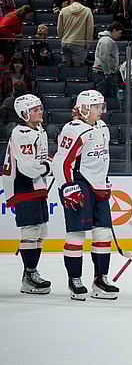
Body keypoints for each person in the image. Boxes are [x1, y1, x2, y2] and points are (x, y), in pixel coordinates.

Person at [52, 90, 118, 301]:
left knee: (103, 234)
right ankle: (75, 280)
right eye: (97, 107)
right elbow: (62, 162)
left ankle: (101, 279)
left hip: (98, 186)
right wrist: (68, 187)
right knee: (77, 234)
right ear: (85, 108)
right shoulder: (74, 130)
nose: (101, 110)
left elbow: (102, 160)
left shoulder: (102, 128)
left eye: (101, 106)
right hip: (78, 184)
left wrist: (104, 180)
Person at [1, 94, 51, 294]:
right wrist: (48, 167)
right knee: (31, 230)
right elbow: (28, 168)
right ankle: (29, 275)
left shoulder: (38, 130)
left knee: (41, 231)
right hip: (23, 186)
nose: (40, 112)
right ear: (24, 114)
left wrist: (45, 164)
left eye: (40, 108)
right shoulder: (21, 133)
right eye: (35, 110)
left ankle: (30, 273)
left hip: (37, 185)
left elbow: (39, 160)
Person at [57, 0, 94, 67]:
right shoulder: (87, 11)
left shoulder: (64, 10)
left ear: (70, 1)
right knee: (77, 69)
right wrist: (87, 43)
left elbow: (59, 28)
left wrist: (61, 39)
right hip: (78, 43)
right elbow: (90, 29)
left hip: (65, 42)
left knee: (66, 67)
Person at [93, 22, 123, 98]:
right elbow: (104, 58)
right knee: (105, 96)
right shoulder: (106, 41)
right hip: (103, 74)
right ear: (114, 30)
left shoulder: (108, 41)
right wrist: (108, 73)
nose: (120, 35)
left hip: (105, 73)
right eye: (119, 33)